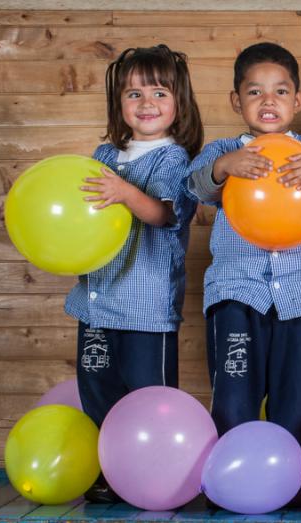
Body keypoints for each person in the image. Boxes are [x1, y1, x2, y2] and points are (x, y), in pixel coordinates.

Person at [185, 42, 301, 508]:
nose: (268, 101)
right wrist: (224, 169)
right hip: (237, 292)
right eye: (255, 92)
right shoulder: (225, 152)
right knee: (235, 391)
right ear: (236, 101)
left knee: (297, 393)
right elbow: (196, 186)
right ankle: (231, 480)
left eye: (280, 91)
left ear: (297, 101)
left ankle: (297, 481)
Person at [64, 44, 203, 502]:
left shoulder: (173, 159)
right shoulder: (104, 153)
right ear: (118, 105)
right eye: (134, 94)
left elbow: (163, 214)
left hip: (145, 308)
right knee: (99, 391)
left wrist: (125, 193)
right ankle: (111, 473)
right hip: (97, 303)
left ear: (179, 102)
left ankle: (155, 474)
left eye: (159, 93)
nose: (146, 104)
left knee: (149, 398)